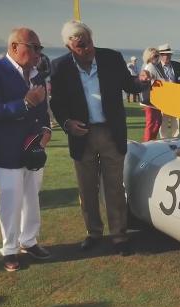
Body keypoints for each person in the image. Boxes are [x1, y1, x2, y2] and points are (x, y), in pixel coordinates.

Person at [50, 20, 145, 254]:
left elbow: (128, 85)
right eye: (82, 45)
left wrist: (140, 82)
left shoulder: (111, 57)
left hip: (111, 132)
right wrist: (67, 123)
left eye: (90, 41)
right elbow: (57, 103)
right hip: (81, 134)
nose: (88, 48)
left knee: (114, 187)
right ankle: (93, 232)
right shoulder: (59, 67)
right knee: (87, 189)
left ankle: (119, 235)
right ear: (69, 46)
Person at [0, 27, 52, 272]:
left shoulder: (38, 75)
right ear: (14, 47)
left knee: (32, 196)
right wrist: (25, 103)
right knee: (11, 199)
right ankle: (9, 249)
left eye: (41, 48)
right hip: (6, 149)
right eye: (35, 47)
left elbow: (42, 111)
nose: (39, 53)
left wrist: (46, 130)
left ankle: (28, 240)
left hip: (33, 148)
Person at [157, 43, 180, 138]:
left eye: (169, 54)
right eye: (166, 54)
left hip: (176, 97)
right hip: (163, 99)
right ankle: (163, 141)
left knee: (176, 121)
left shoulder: (176, 65)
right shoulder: (156, 67)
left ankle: (176, 139)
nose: (168, 56)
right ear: (161, 55)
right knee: (163, 121)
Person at [141, 47, 165, 141]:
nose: (157, 58)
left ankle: (151, 141)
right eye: (155, 56)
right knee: (152, 123)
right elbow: (148, 82)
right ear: (149, 57)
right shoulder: (149, 67)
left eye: (157, 56)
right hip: (151, 100)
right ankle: (147, 143)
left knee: (157, 122)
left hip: (156, 99)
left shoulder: (154, 66)